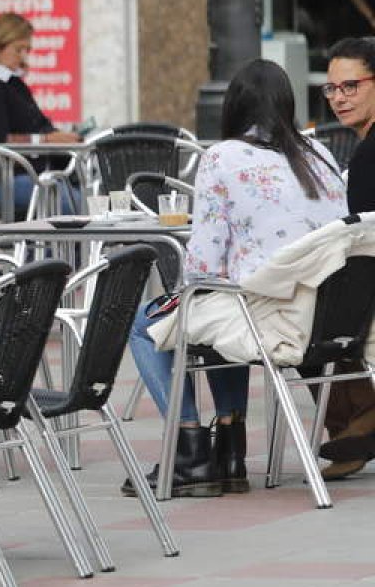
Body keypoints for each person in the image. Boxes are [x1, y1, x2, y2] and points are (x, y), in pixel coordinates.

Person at [124, 59, 347, 498]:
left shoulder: (222, 157)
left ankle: (189, 450)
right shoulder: (318, 152)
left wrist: (190, 284)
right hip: (327, 318)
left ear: (234, 108)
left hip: (270, 318)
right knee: (218, 309)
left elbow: (203, 265)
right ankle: (229, 447)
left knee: (146, 323)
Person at [311, 36, 375, 478]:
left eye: (351, 86)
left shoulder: (370, 153)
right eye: (332, 89)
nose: (339, 98)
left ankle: (354, 430)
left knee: (304, 317)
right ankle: (357, 428)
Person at [0, 12, 80, 218]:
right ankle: (48, 251)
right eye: (19, 49)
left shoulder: (14, 84)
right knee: (77, 206)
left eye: (27, 49)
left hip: (33, 175)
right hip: (5, 179)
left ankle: (52, 251)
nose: (23, 56)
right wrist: (46, 139)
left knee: (84, 198)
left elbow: (37, 125)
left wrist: (60, 136)